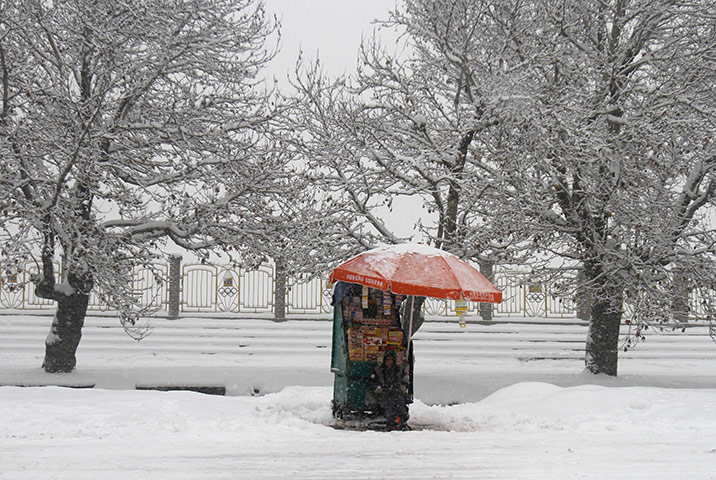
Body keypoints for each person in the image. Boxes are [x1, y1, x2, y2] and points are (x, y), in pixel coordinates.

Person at [371, 350, 410, 431]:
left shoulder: (398, 370)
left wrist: (400, 389)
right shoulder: (379, 370)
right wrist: (380, 389)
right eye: (388, 360)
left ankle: (400, 419)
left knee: (399, 402)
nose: (389, 362)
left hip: (396, 392)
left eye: (391, 360)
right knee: (389, 403)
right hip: (384, 393)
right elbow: (373, 383)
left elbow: (404, 382)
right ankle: (392, 420)